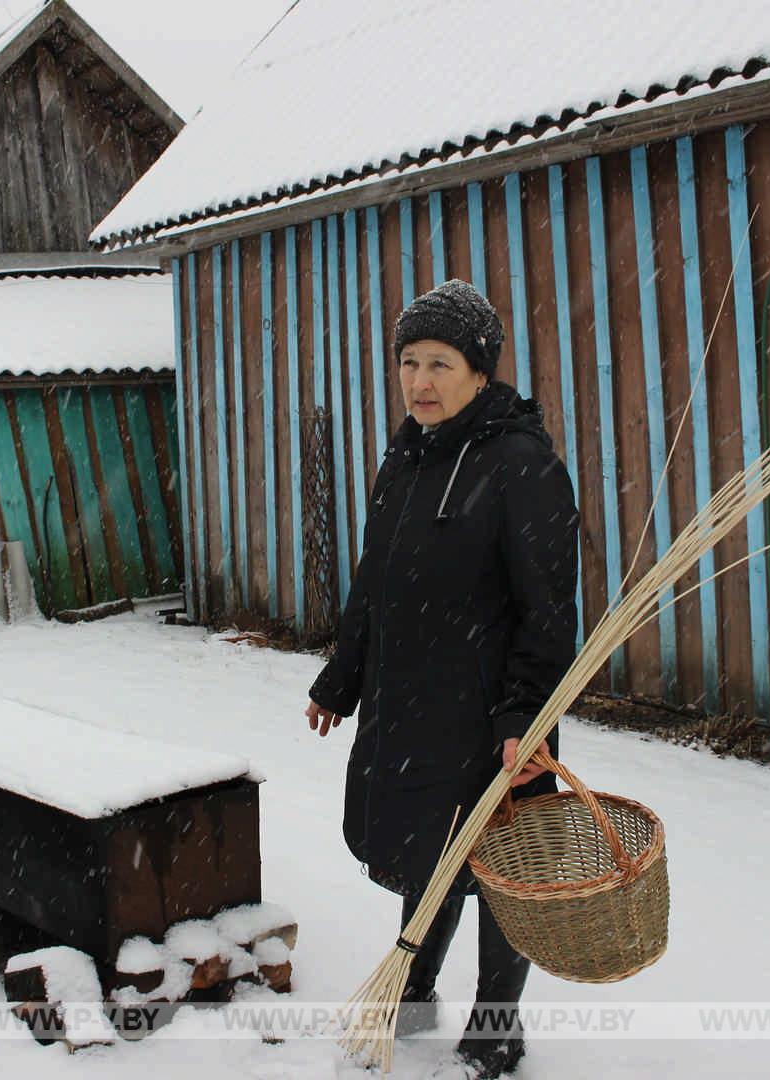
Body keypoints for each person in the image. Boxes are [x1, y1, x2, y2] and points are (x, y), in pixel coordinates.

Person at [305, 279, 579, 1078]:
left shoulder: (522, 466)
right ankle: (417, 986)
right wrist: (340, 678)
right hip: (409, 700)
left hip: (493, 715)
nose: (420, 381)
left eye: (441, 364)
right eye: (409, 362)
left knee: (501, 872)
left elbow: (550, 611)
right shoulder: (406, 457)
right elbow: (374, 582)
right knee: (429, 847)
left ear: (481, 374)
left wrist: (524, 716)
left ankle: (497, 1030)